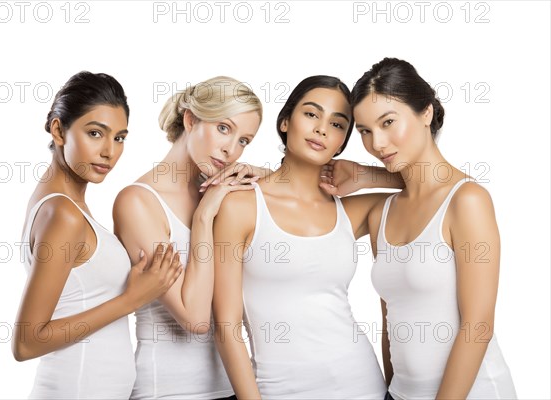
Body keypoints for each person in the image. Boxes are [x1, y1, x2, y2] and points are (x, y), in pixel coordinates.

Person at [336, 57, 517, 399]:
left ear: (426, 113)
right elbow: (390, 320)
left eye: (388, 122)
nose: (377, 143)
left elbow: (477, 326)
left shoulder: (468, 201)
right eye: (364, 131)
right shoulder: (383, 212)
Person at [212, 75, 404, 399]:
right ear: (285, 121)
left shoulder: (351, 212)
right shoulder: (241, 206)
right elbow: (225, 326)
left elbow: (441, 188)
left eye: (338, 124)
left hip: (363, 387)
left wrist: (366, 174)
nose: (322, 129)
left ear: (342, 143)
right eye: (312, 114)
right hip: (278, 391)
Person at [12, 71, 183, 399]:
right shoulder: (62, 214)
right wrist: (131, 300)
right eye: (95, 133)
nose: (109, 151)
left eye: (119, 138)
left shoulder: (69, 209)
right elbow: (27, 341)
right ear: (59, 130)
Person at [113, 76, 266, 399]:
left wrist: (259, 172)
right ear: (190, 119)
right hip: (169, 392)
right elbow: (194, 318)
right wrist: (203, 217)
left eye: (244, 141)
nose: (231, 149)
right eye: (224, 128)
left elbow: (301, 187)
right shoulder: (138, 202)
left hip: (234, 386)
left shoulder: (220, 190)